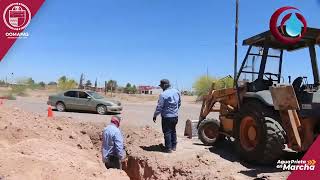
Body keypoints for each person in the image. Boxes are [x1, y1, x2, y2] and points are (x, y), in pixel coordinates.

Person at [153, 79, 181, 153]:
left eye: (161, 86)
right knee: (173, 130)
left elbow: (159, 107)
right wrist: (174, 111)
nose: (161, 87)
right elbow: (179, 103)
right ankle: (174, 146)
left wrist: (155, 115)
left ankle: (168, 148)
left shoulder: (163, 94)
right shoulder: (176, 91)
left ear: (165, 85)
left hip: (167, 117)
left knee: (167, 132)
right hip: (175, 116)